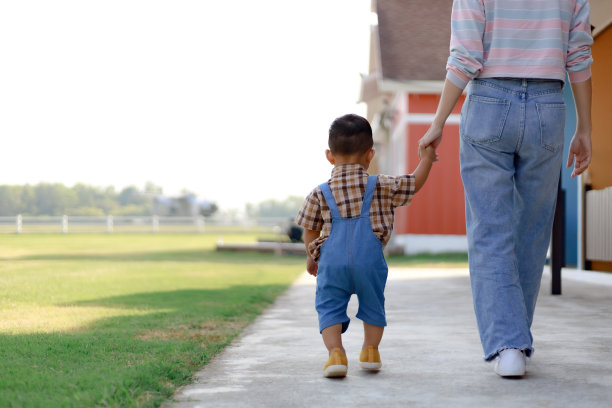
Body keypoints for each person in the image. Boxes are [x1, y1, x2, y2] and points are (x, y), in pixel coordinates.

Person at [419, 0, 593, 377]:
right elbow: (578, 55)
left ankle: (508, 344)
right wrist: (585, 128)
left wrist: (437, 122)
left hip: (488, 101)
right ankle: (516, 340)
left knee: (489, 230)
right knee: (532, 230)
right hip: (550, 106)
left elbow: (465, 56)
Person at [295, 114, 437, 377]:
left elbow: (310, 228)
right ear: (370, 154)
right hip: (369, 262)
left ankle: (336, 354)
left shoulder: (319, 192)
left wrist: (312, 256)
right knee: (373, 304)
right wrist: (426, 159)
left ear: (329, 155)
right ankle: (370, 350)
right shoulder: (381, 184)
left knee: (328, 306)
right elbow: (413, 183)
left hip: (332, 263)